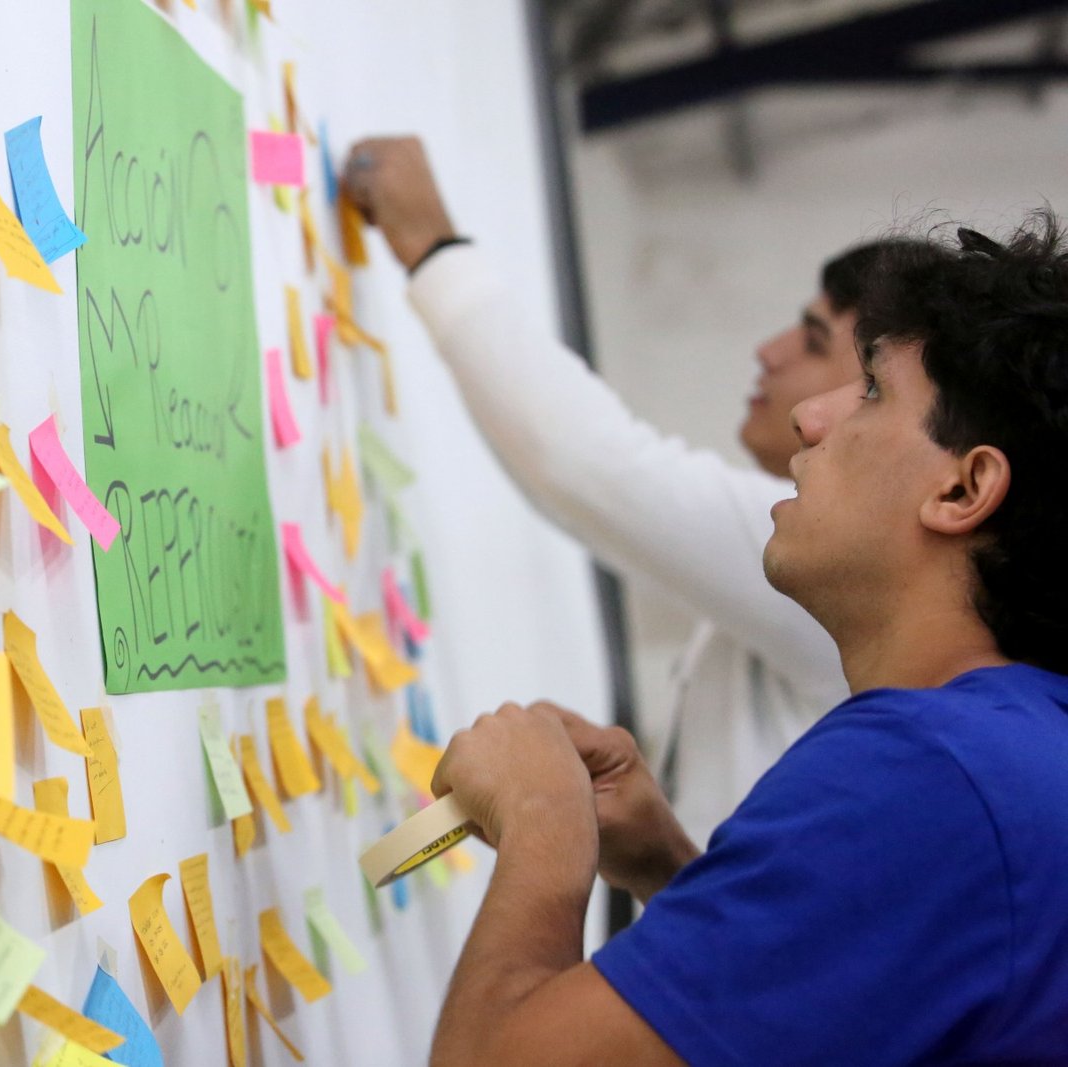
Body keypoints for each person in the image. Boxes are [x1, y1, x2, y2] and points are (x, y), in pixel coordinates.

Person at [423, 215, 1068, 1064]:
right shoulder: (1014, 746)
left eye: (872, 389)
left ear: (963, 487)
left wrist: (544, 819)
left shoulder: (930, 771)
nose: (810, 416)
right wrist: (666, 866)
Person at [343, 138, 902, 846]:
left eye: (814, 342)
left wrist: (435, 251)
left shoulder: (849, 557)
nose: (770, 350)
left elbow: (584, 460)